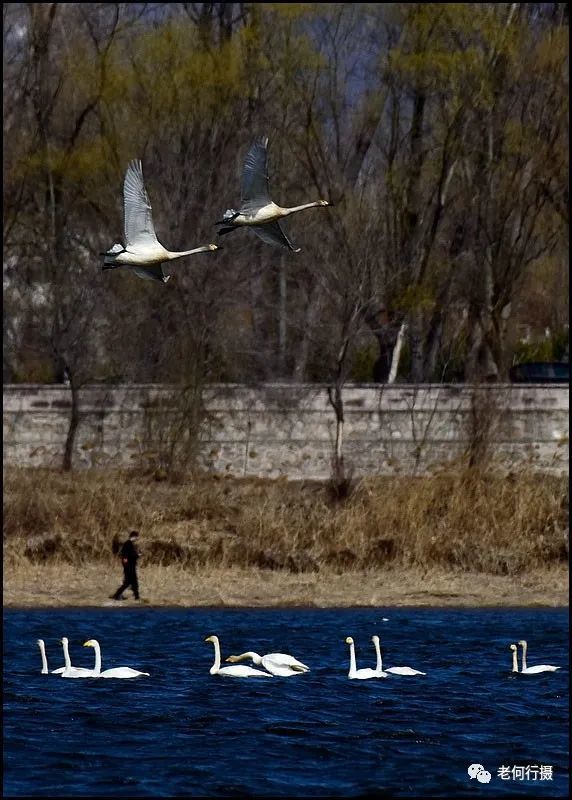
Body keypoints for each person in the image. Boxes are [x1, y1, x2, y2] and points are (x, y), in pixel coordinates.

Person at [111, 530, 140, 601]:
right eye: (136, 537)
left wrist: (136, 555)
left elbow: (127, 555)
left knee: (133, 582)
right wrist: (137, 555)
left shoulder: (130, 544)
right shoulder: (128, 544)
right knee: (128, 583)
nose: (137, 539)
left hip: (130, 566)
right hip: (129, 567)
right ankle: (117, 595)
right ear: (133, 536)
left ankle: (137, 597)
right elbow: (126, 555)